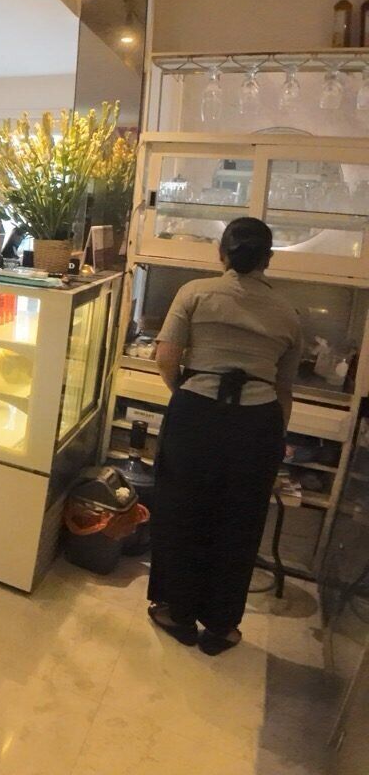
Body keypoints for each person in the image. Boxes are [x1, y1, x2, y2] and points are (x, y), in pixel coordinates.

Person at [148, 217, 302, 655]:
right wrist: (274, 435)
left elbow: (166, 358)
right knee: (240, 522)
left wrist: (187, 393)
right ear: (268, 259)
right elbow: (284, 388)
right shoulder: (288, 313)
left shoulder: (194, 293)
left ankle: (178, 613)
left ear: (221, 253)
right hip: (257, 424)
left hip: (196, 415)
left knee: (183, 512)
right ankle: (221, 626)